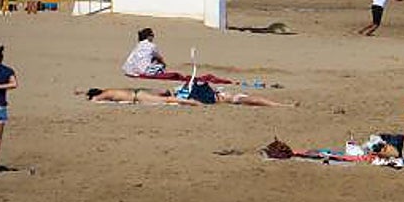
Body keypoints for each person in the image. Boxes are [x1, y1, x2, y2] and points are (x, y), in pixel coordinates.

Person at [81, 87, 293, 107]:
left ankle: (281, 105)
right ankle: (281, 105)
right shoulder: (109, 91)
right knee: (250, 99)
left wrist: (86, 96)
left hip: (222, 97)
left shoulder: (106, 94)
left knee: (168, 100)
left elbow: (95, 100)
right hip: (223, 97)